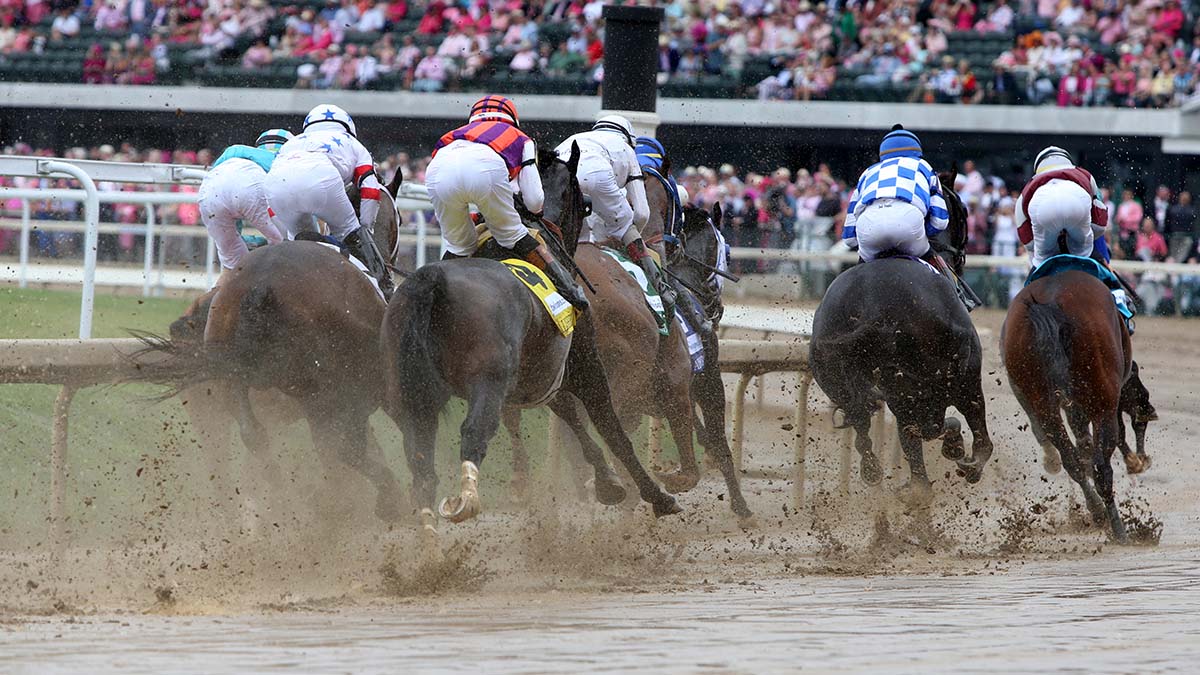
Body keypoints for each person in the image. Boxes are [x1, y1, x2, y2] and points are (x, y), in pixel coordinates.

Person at [426, 95, 588, 309]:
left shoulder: (454, 135)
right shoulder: (521, 139)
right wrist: (534, 211)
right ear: (512, 119)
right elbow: (534, 199)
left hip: (436, 171)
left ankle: (430, 297)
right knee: (512, 235)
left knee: (460, 244)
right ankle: (570, 290)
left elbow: (461, 179)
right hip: (485, 170)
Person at [842, 124, 978, 310]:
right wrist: (923, 234)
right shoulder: (924, 166)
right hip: (909, 224)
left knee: (857, 275)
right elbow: (940, 221)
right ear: (917, 152)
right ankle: (960, 302)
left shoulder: (867, 173)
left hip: (868, 228)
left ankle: (848, 309)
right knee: (933, 262)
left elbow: (849, 239)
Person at [264, 104, 393, 296]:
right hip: (321, 179)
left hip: (274, 187)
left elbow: (271, 205)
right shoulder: (353, 143)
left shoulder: (292, 142)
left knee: (299, 243)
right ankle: (385, 291)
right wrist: (365, 230)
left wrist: (289, 233)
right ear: (348, 126)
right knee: (350, 230)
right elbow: (371, 191)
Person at [556, 114, 676, 314]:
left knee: (574, 240)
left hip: (563, 179)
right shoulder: (627, 148)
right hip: (599, 176)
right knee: (627, 226)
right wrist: (627, 236)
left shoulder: (573, 138)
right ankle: (662, 291)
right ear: (628, 137)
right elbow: (642, 213)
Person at [1014, 146, 1134, 326]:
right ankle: (1119, 302)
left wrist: (1048, 247)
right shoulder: (1084, 174)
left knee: (1038, 264)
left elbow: (1028, 242)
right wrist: (1083, 235)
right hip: (1077, 201)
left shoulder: (1028, 187)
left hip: (1040, 207)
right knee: (1086, 257)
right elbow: (1101, 221)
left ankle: (1025, 317)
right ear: (1068, 160)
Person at [198, 128, 293, 280]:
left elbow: (229, 193)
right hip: (251, 187)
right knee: (290, 249)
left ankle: (214, 302)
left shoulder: (235, 151)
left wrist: (243, 241)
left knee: (232, 268)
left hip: (208, 193)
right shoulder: (284, 160)